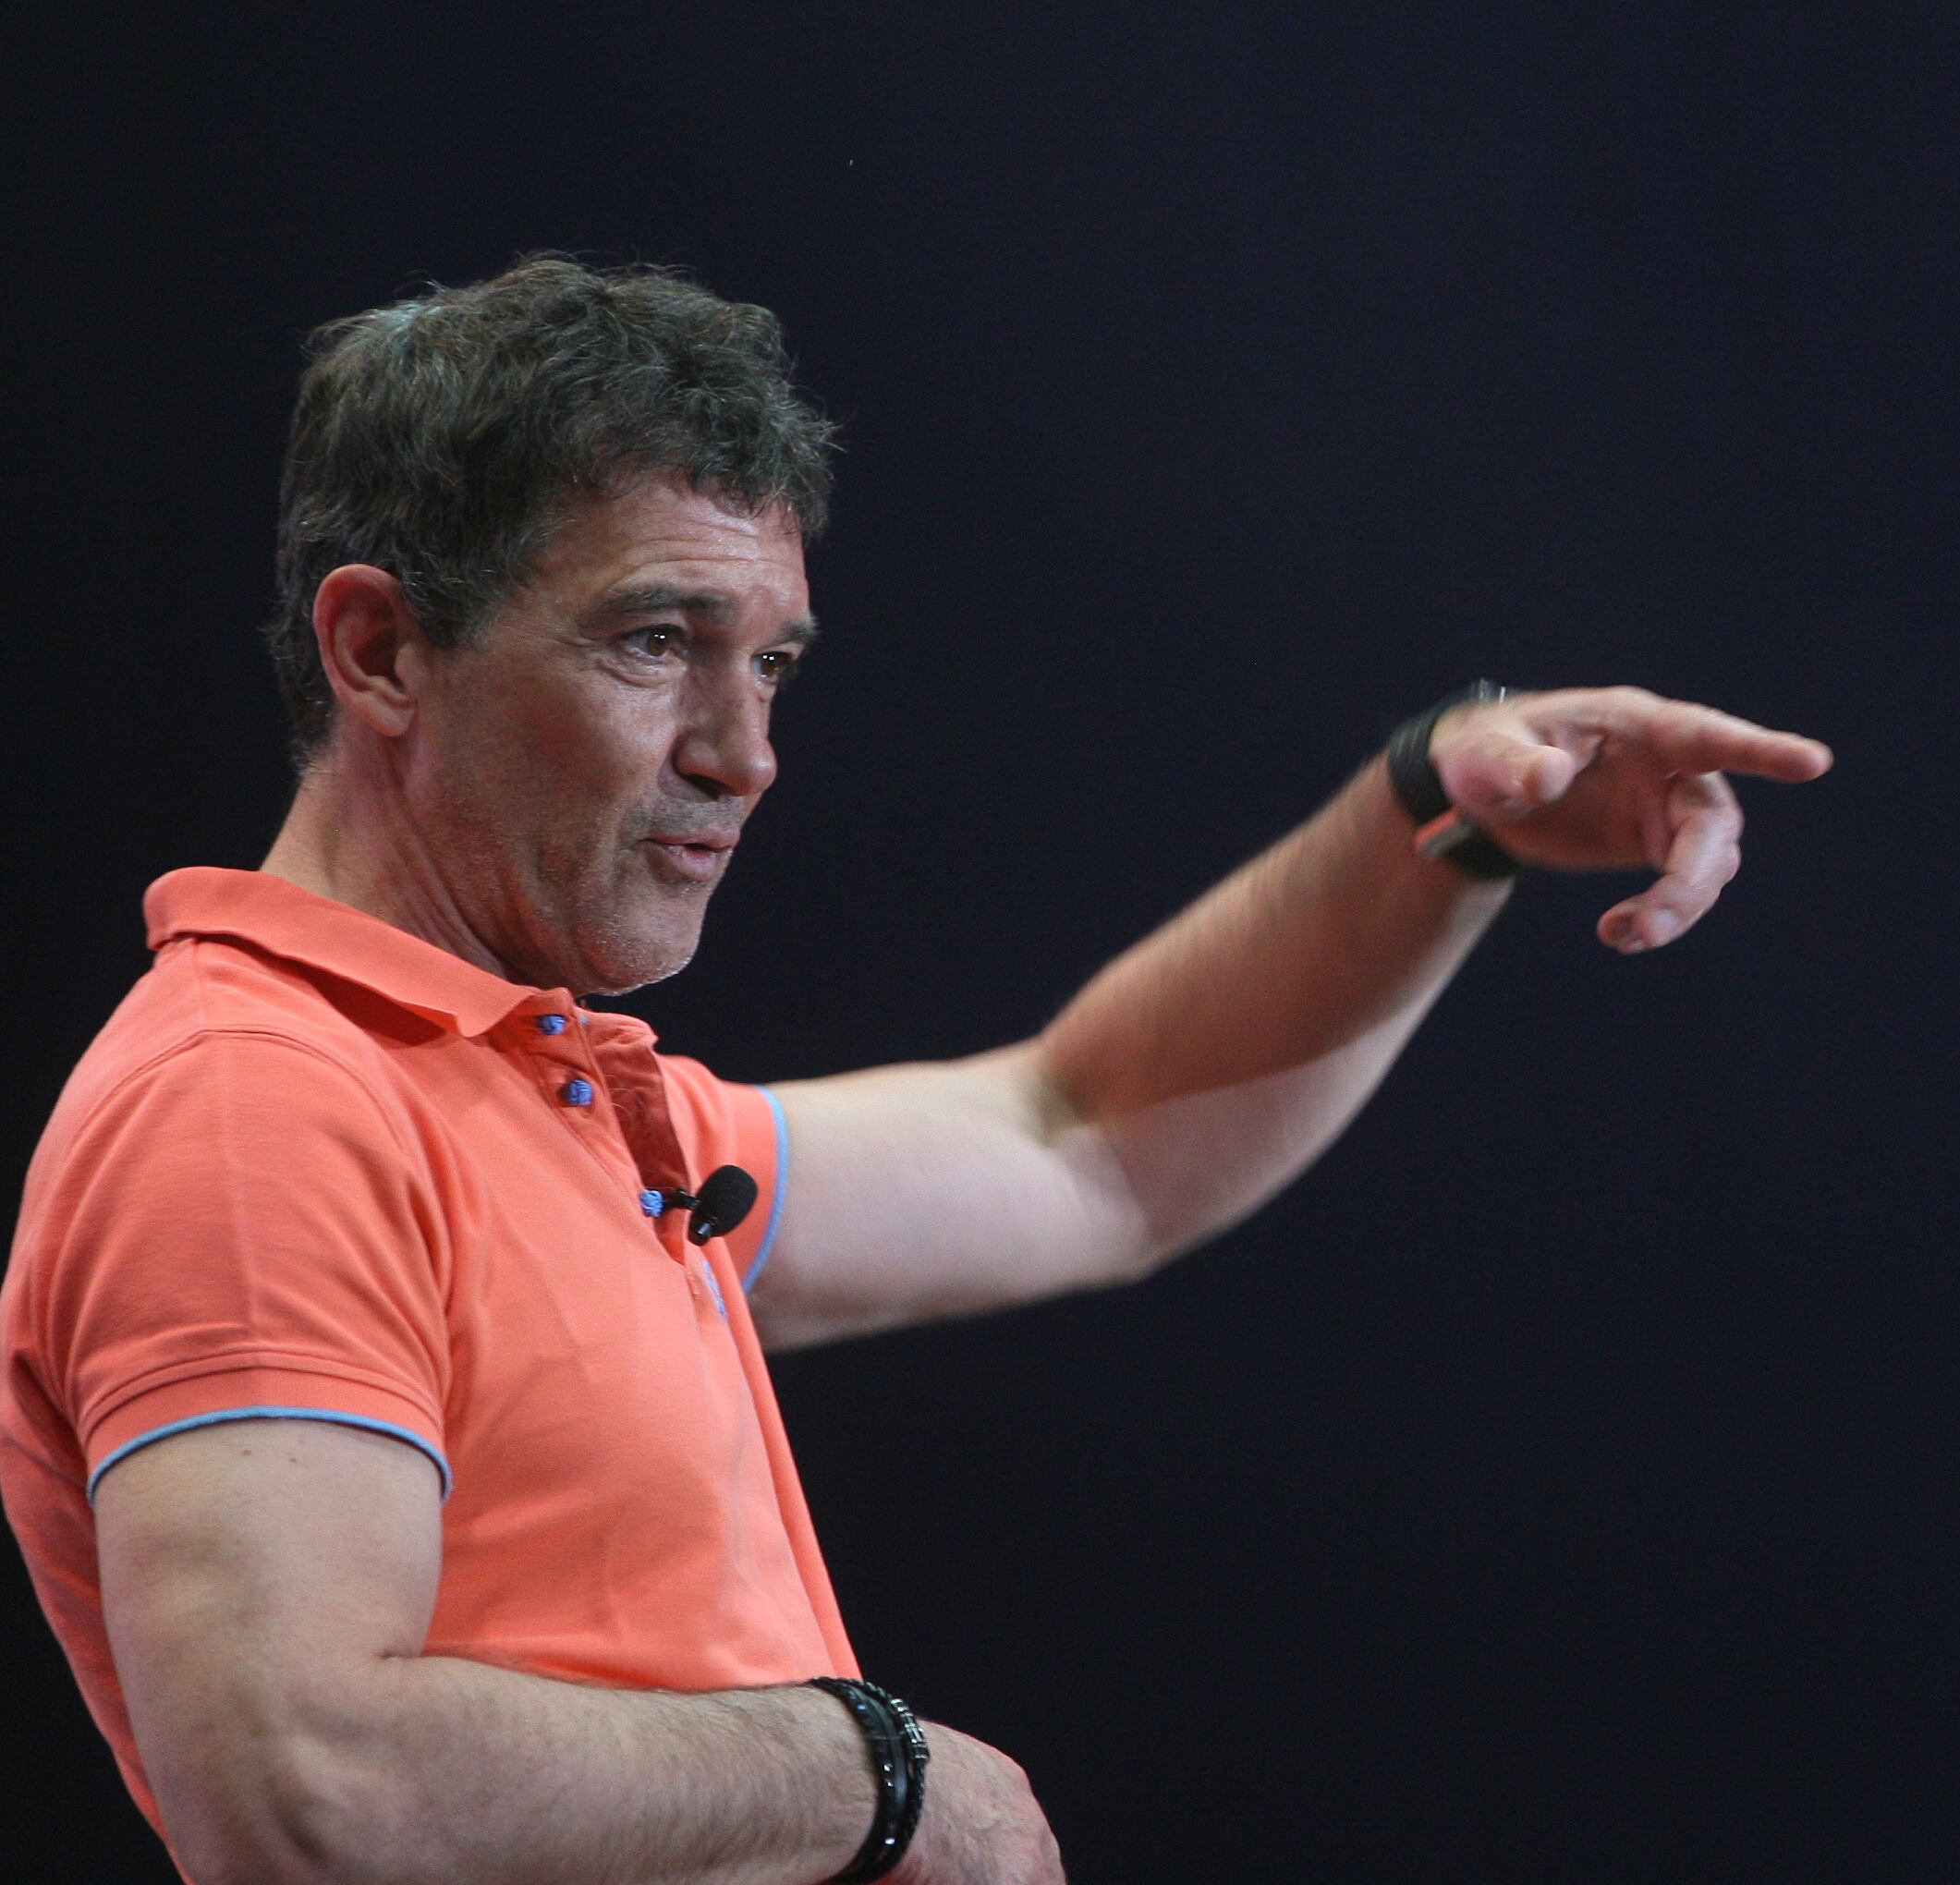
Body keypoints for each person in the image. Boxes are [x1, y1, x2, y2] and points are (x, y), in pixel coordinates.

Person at [0, 258, 1831, 1885]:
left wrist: (1442, 819)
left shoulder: (560, 1101)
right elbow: (302, 1788)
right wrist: (872, 1776)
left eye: (772, 664)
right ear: (383, 649)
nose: (745, 752)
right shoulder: (257, 1106)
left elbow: (1089, 1142)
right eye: (658, 642)